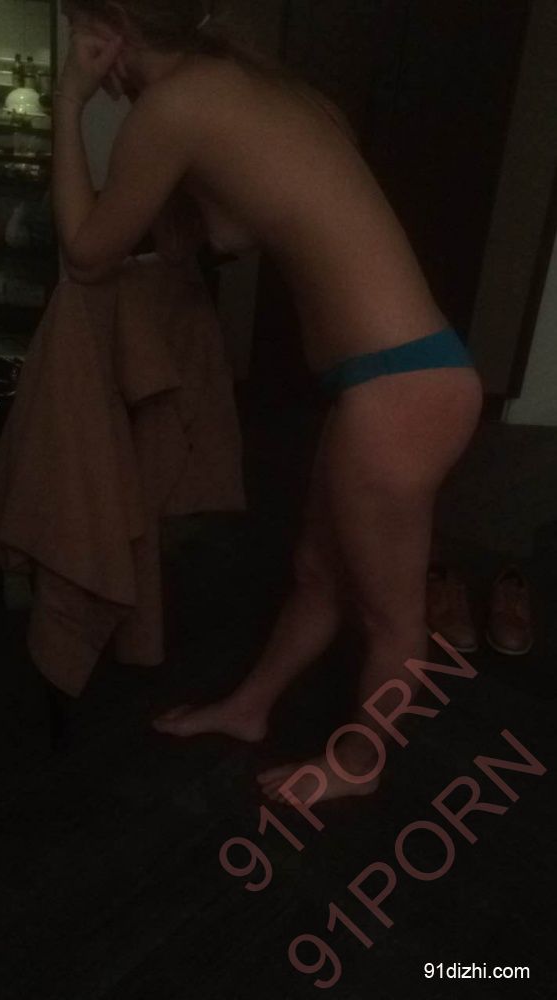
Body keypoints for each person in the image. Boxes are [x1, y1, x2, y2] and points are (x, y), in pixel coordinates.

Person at [54, 0, 483, 802]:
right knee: (316, 572)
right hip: (395, 377)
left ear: (105, 24)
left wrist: (69, 102)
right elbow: (215, 235)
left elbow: (85, 254)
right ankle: (250, 708)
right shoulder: (239, 86)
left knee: (389, 616)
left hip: (400, 387)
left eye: (76, 21)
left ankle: (361, 764)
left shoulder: (179, 103)